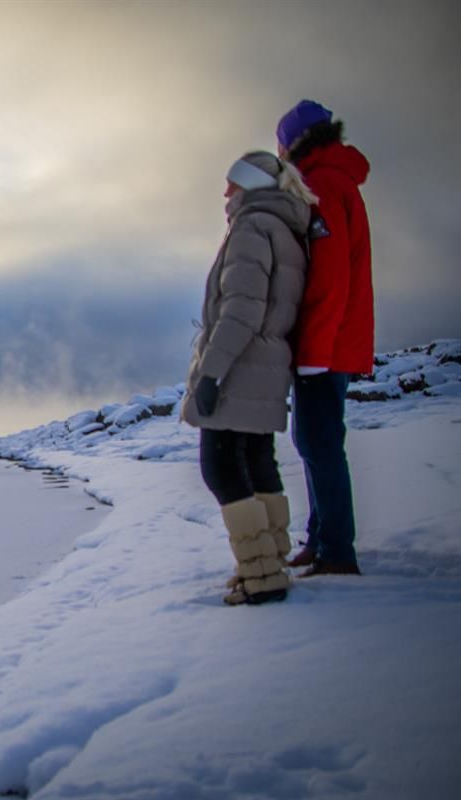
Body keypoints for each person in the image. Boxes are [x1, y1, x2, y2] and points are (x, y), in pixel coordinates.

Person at [181, 151, 317, 605]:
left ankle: (261, 577)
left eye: (233, 183)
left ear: (252, 186)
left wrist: (211, 374)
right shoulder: (285, 229)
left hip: (242, 366)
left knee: (220, 466)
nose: (225, 192)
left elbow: (241, 310)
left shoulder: (252, 228)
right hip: (268, 365)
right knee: (257, 461)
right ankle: (268, 564)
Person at [276, 100, 373, 576]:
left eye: (281, 145)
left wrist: (313, 352)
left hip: (327, 346)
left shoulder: (322, 186)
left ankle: (336, 549)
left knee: (320, 442)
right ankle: (320, 538)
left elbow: (330, 278)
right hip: (333, 342)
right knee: (314, 439)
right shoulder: (332, 180)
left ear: (295, 143)